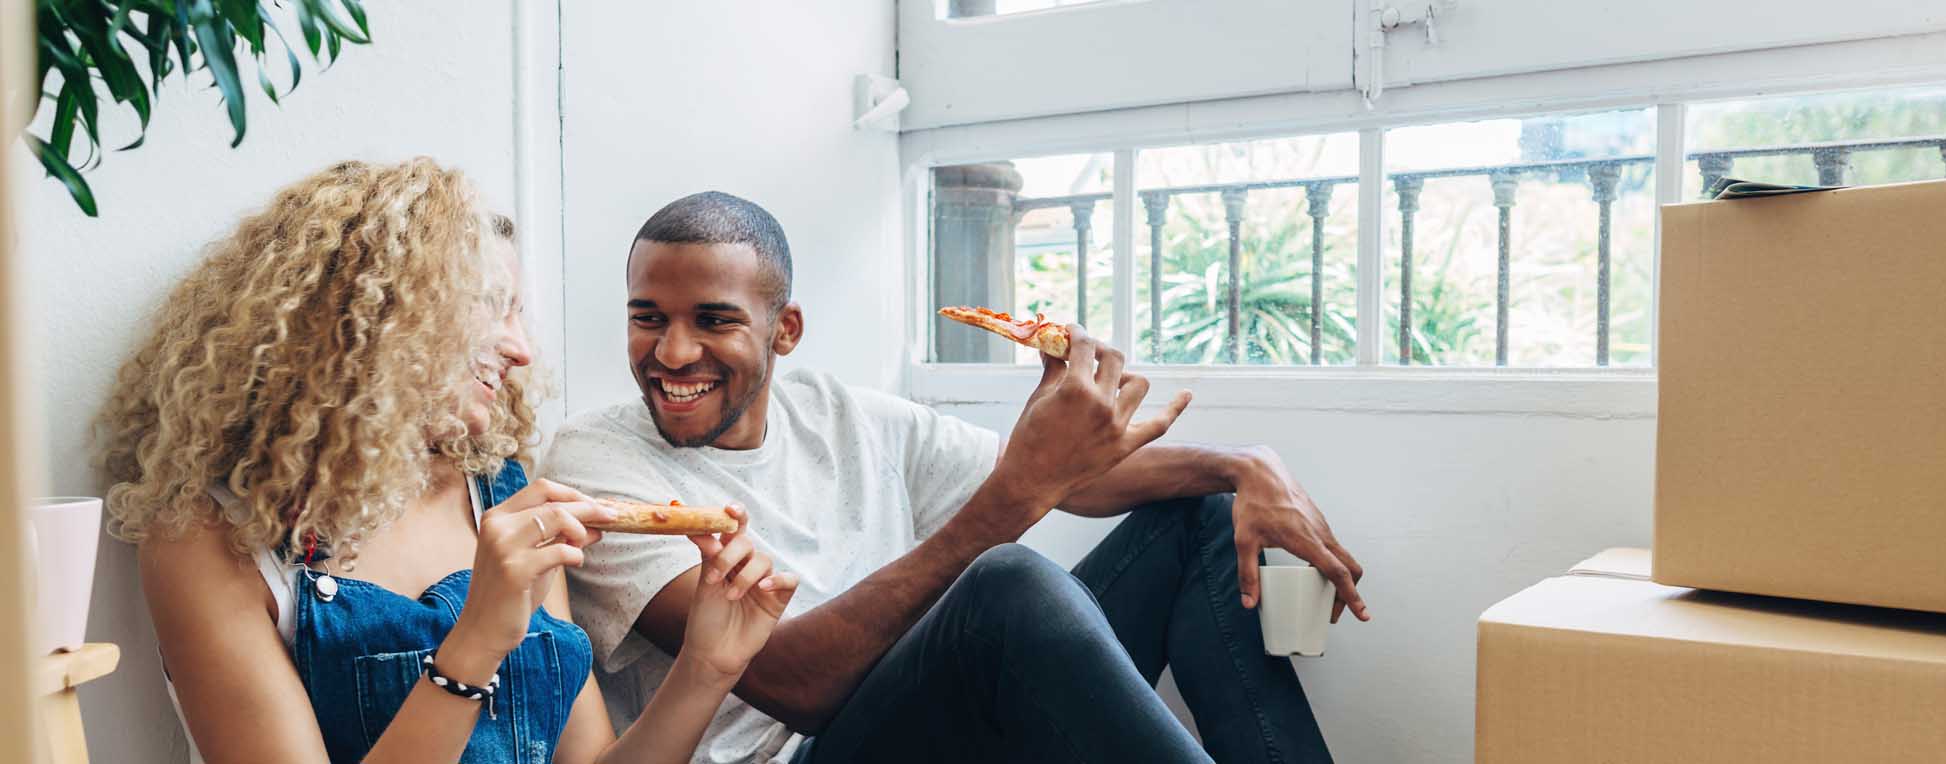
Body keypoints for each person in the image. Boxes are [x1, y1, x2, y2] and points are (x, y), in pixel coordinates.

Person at [546, 191, 1369, 763]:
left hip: (941, 720)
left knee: (1200, 515)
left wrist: (1242, 466)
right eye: (647, 318)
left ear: (784, 329)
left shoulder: (848, 416)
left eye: (713, 320)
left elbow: (1069, 483)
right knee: (1004, 582)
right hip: (806, 754)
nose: (673, 353)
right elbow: (790, 685)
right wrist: (1013, 496)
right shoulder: (596, 468)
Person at [98, 160, 799, 764]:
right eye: (492, 309)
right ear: (372, 321)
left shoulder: (499, 491)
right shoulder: (207, 536)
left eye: (518, 312)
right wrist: (478, 638)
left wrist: (709, 665)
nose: (521, 349)